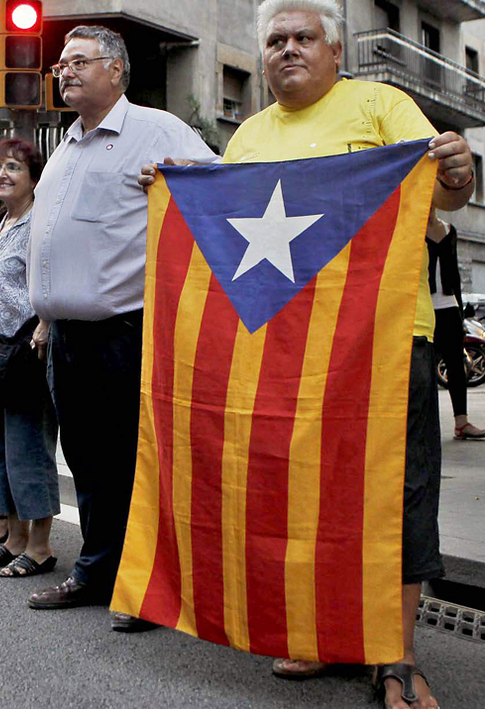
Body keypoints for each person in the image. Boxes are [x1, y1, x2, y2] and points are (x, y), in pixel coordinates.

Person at [142, 1, 474, 705]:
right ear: (262, 59)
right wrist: (178, 196)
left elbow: (449, 196)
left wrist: (458, 168)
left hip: (386, 344)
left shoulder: (382, 105)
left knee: (395, 499)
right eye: (275, 41)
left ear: (333, 49)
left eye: (303, 37)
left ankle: (397, 654)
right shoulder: (248, 137)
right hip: (280, 356)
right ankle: (316, 632)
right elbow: (224, 249)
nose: (287, 49)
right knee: (293, 498)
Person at [26, 25, 216, 625]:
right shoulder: (66, 145)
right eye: (61, 63)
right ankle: (100, 570)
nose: (64, 70)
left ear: (116, 71)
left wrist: (176, 186)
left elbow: (221, 193)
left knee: (134, 463)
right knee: (87, 460)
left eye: (79, 61)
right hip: (66, 336)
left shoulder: (156, 130)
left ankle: (149, 588)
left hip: (125, 333)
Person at [0, 138, 61, 578]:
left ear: (34, 178)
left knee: (27, 447)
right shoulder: (2, 224)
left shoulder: (42, 222)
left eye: (14, 168)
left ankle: (39, 546)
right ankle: (14, 539)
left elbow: (54, 277)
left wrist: (45, 324)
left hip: (25, 350)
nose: (2, 175)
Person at [427, 210, 485, 440]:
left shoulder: (449, 230)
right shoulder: (412, 231)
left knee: (456, 365)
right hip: (424, 305)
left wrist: (460, 313)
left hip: (448, 305)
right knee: (424, 368)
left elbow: (455, 276)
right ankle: (424, 426)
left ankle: (462, 423)